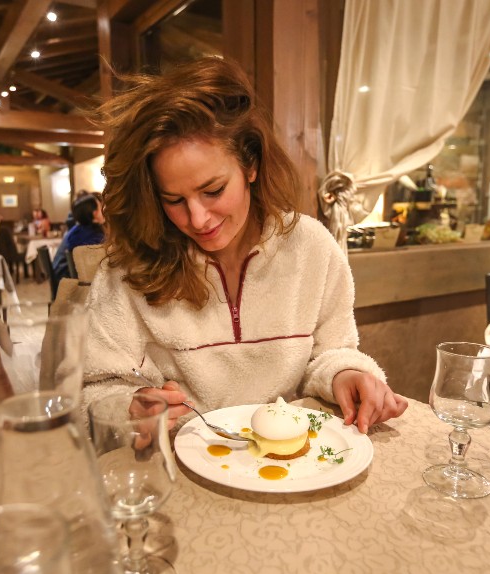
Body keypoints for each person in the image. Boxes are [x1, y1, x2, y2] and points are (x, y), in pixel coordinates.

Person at [82, 57, 408, 433]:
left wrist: (347, 373)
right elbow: (95, 390)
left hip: (288, 463)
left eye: (213, 190)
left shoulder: (311, 247)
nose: (198, 218)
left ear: (250, 165)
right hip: (179, 466)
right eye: (173, 200)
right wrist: (130, 409)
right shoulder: (129, 270)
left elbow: (332, 351)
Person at [51, 192, 105, 280]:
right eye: (100, 207)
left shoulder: (78, 229)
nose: (104, 210)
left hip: (60, 274)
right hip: (69, 279)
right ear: (95, 213)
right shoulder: (93, 235)